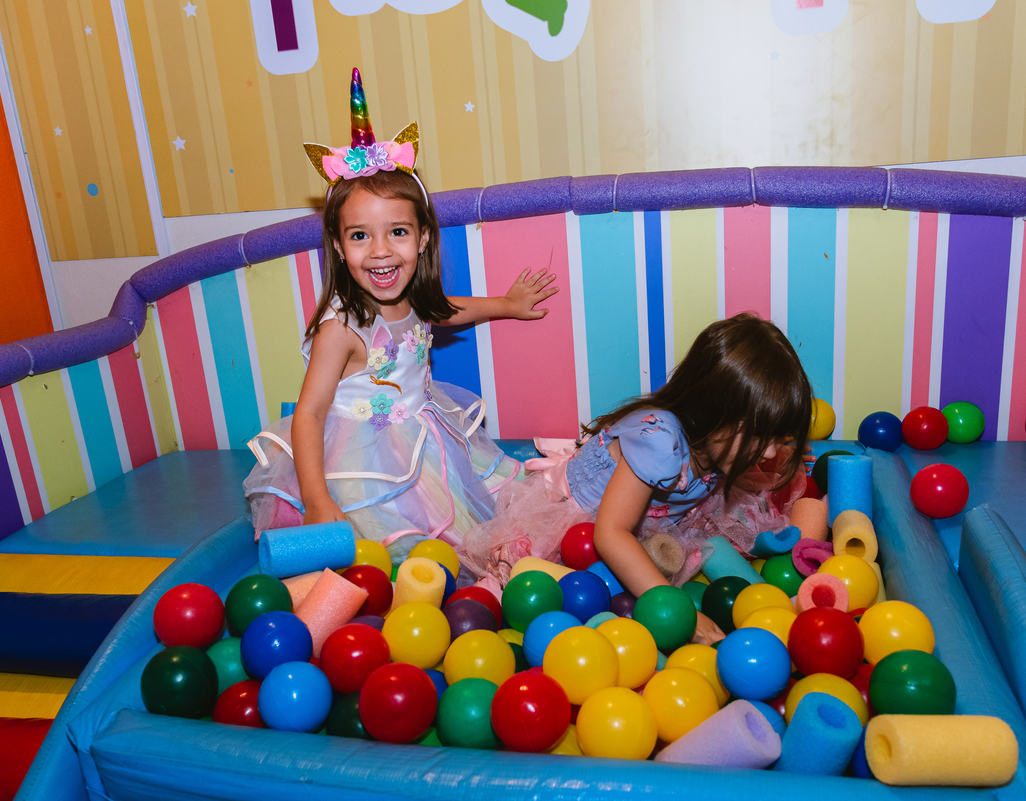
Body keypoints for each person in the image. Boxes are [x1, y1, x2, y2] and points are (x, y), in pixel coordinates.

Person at [243, 69, 556, 551]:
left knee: (492, 514)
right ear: (338, 245)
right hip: (364, 460)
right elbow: (309, 413)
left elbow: (444, 310)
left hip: (427, 435)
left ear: (423, 237)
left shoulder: (410, 296)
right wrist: (317, 499)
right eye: (360, 235)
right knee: (402, 546)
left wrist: (506, 304)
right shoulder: (341, 328)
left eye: (398, 232)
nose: (381, 251)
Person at [462, 313, 814, 644]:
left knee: (721, 534)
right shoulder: (660, 443)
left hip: (644, 527)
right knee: (534, 583)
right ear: (713, 411)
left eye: (778, 438)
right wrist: (678, 610)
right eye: (760, 437)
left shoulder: (714, 443)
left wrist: (774, 457)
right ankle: (484, 602)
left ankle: (776, 605)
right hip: (580, 525)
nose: (769, 452)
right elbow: (611, 534)